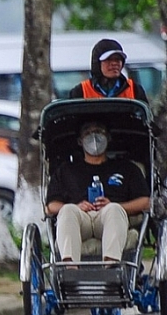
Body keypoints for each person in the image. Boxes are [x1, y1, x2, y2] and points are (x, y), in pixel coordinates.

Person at [45, 121, 149, 262]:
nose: (94, 136)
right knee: (68, 210)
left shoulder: (127, 168)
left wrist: (117, 205)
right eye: (87, 133)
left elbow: (145, 202)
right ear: (80, 141)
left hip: (110, 218)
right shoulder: (66, 170)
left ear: (108, 137)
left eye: (99, 132)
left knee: (114, 208)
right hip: (81, 218)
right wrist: (77, 207)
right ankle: (69, 266)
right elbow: (50, 206)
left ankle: (111, 264)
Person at [69, 39, 148, 102]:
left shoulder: (135, 90)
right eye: (108, 59)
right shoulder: (80, 92)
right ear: (97, 63)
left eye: (118, 59)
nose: (114, 63)